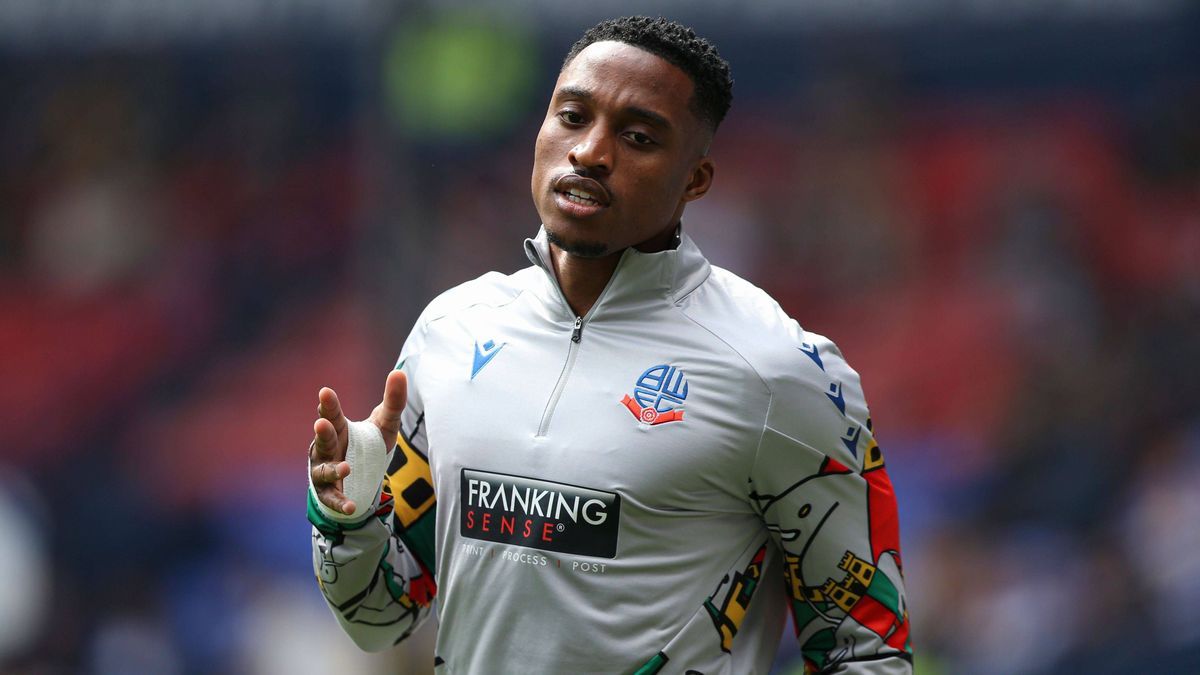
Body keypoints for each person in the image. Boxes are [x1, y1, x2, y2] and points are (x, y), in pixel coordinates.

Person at [308, 16, 912, 674]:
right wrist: (348, 516)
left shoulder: (778, 370)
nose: (592, 151)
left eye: (637, 136)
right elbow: (381, 618)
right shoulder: (451, 330)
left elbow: (865, 649)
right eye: (572, 116)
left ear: (695, 178)